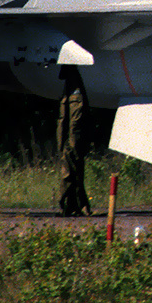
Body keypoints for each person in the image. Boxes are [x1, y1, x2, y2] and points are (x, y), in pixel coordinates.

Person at [56, 66, 92, 216]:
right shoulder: (71, 89)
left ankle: (72, 205)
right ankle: (74, 205)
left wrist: (69, 144)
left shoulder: (73, 92)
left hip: (71, 142)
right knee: (73, 172)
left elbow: (73, 121)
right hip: (70, 142)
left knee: (70, 173)